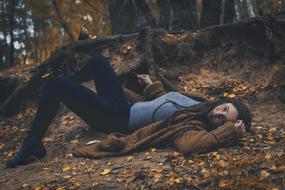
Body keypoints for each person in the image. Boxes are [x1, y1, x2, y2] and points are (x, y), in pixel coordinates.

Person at [6, 53, 252, 167]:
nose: (218, 114)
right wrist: (151, 88)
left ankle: (33, 143)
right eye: (225, 108)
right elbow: (164, 104)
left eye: (223, 120)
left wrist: (228, 133)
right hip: (125, 105)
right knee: (98, 61)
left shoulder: (193, 127)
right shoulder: (200, 104)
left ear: (223, 127)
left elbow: (190, 146)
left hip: (116, 118)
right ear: (223, 101)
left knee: (55, 84)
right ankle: (68, 87)